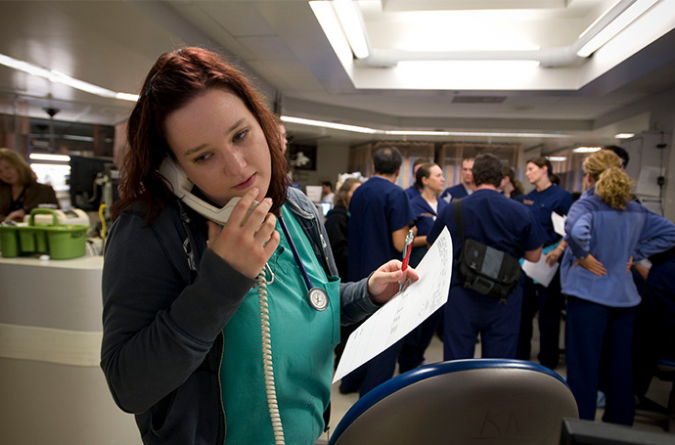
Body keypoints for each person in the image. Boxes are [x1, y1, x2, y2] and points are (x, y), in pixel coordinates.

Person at [99, 47, 417, 445]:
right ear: (175, 171)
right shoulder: (148, 231)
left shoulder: (295, 208)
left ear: (262, 124)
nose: (237, 167)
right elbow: (128, 385)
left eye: (240, 135)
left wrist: (366, 292)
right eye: (203, 156)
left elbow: (312, 305)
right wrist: (221, 282)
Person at [560, 149, 675, 426]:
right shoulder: (634, 208)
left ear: (588, 176)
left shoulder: (586, 205)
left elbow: (576, 232)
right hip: (624, 300)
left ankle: (581, 425)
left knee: (584, 368)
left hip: (589, 297)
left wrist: (584, 255)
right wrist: (634, 250)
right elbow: (671, 233)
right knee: (620, 366)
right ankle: (620, 426)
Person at [428, 153, 545, 361]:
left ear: (472, 178)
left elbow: (433, 247)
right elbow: (535, 256)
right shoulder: (520, 210)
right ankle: (493, 395)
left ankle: (458, 394)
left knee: (457, 361)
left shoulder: (453, 209)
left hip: (461, 293)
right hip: (505, 295)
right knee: (498, 365)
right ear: (501, 180)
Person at [342, 146, 416, 397]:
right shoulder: (396, 194)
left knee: (359, 332)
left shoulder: (360, 190)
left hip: (358, 273)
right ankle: (372, 394)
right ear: (398, 170)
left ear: (373, 167)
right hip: (386, 276)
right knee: (385, 338)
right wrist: (416, 234)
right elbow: (399, 242)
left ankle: (350, 381)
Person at [516, 156, 573, 370]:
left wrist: (559, 250)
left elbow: (571, 229)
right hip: (527, 261)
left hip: (550, 260)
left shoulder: (562, 197)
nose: (528, 173)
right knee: (523, 310)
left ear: (544, 169)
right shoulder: (527, 197)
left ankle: (548, 359)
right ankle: (520, 356)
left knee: (549, 313)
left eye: (531, 169)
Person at [398, 162, 447, 373]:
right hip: (418, 266)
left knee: (432, 319)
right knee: (414, 320)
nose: (442, 179)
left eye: (442, 175)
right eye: (437, 175)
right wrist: (429, 239)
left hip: (440, 269)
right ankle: (409, 362)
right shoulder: (412, 204)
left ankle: (420, 356)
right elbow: (405, 240)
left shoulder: (446, 206)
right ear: (425, 180)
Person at [324, 177, 362, 366]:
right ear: (344, 194)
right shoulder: (337, 217)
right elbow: (338, 252)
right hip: (342, 276)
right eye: (354, 191)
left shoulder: (351, 215)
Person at [0, 147, 60, 222]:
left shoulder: (44, 191)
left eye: (7, 168)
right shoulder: (2, 190)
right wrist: (6, 220)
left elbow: (57, 217)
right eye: (0, 171)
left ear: (19, 166)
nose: (5, 174)